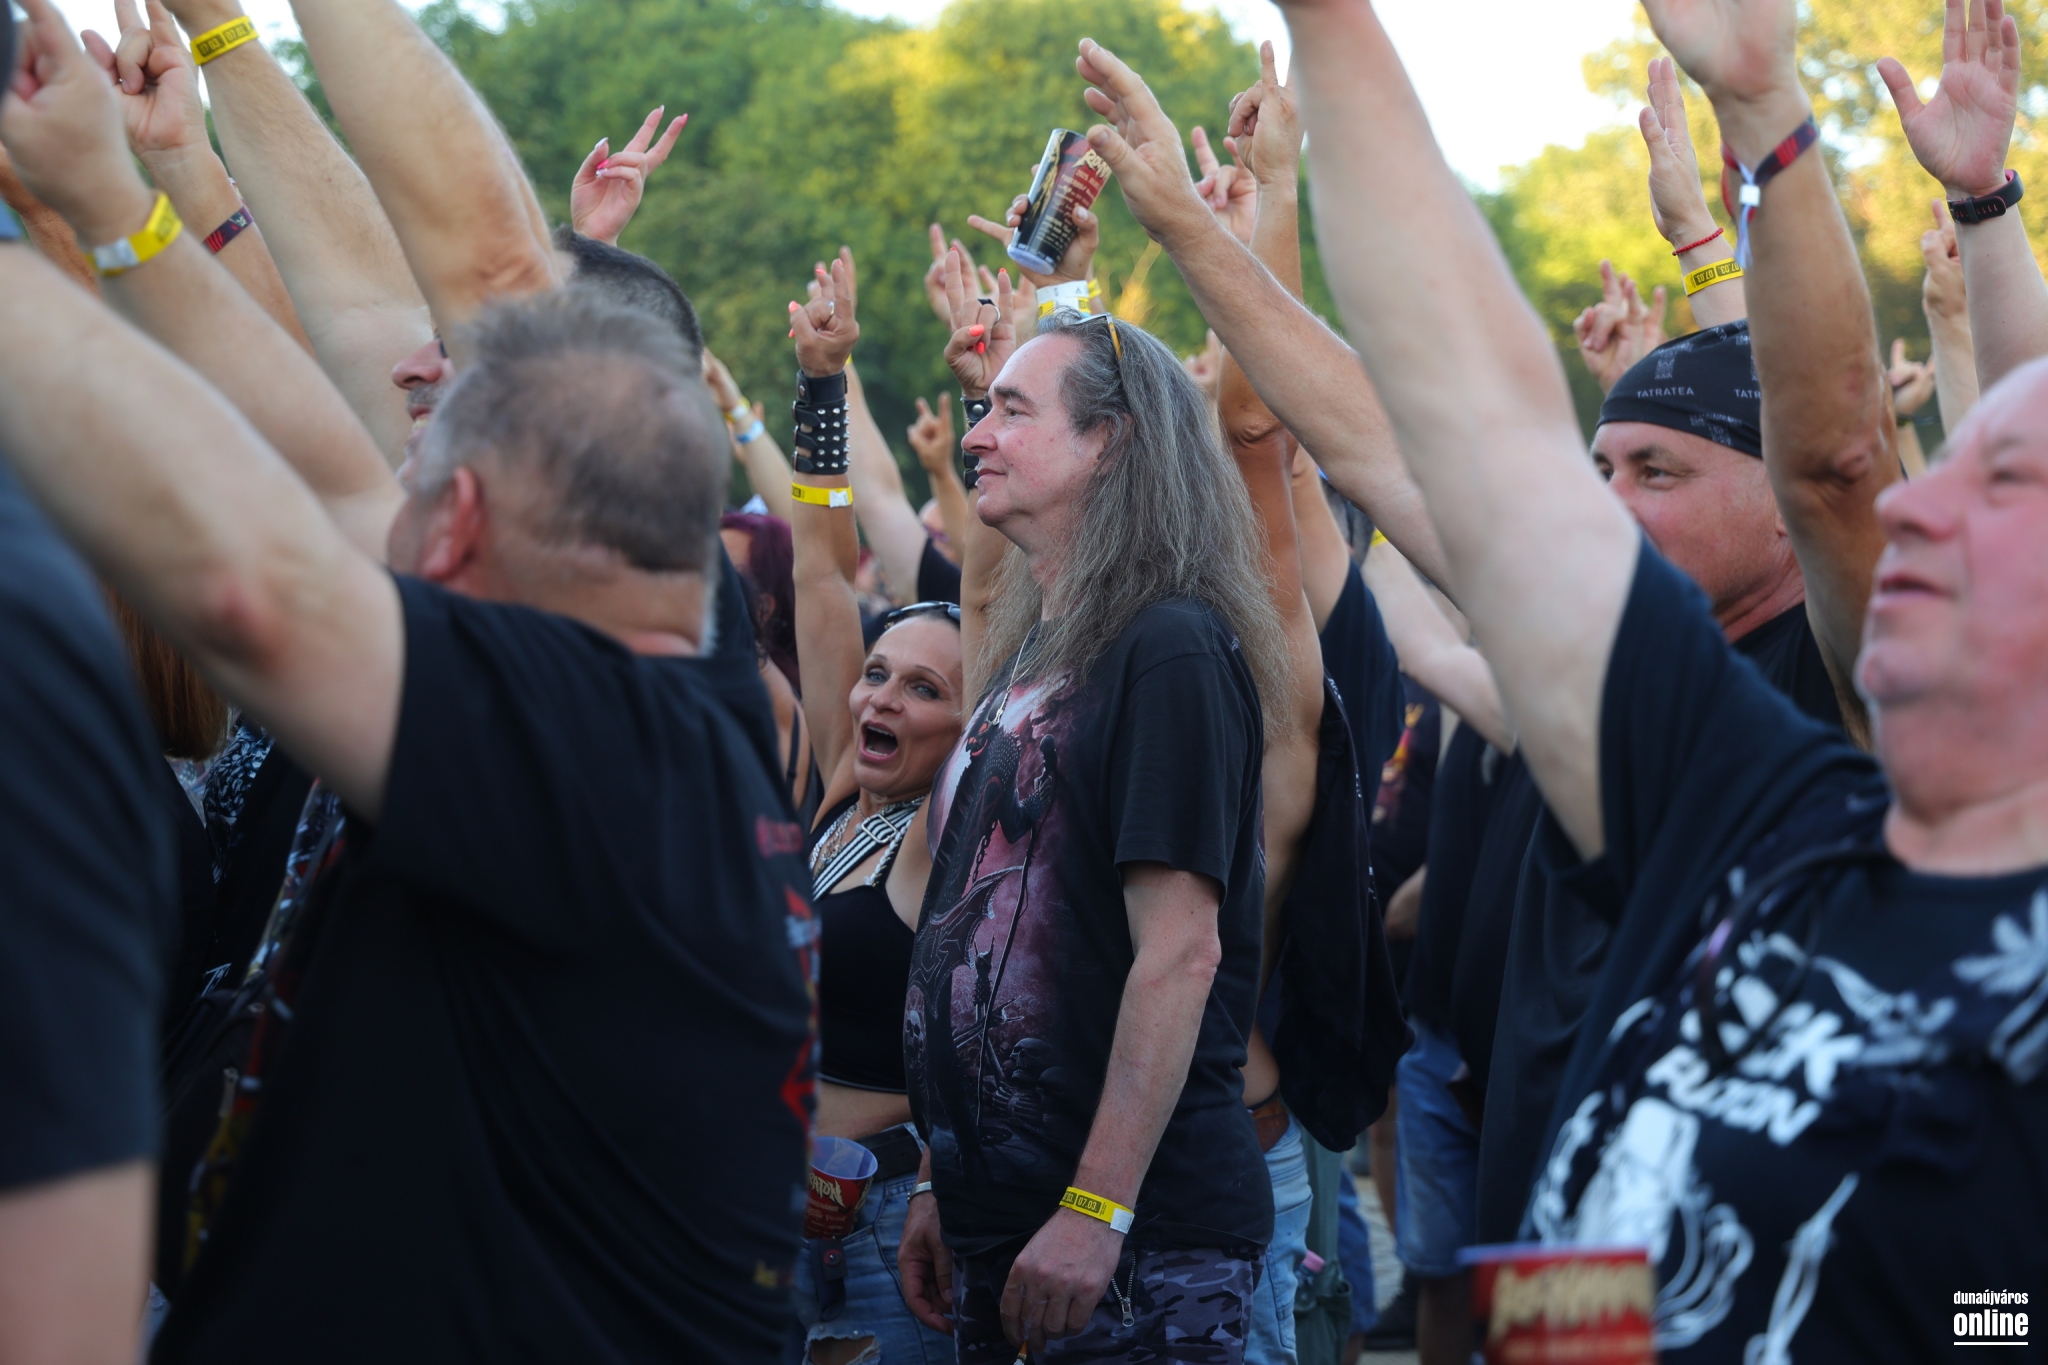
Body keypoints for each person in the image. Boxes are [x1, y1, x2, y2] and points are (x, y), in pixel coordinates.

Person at [1, 4, 815, 1362]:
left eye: (423, 435)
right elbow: (319, 468)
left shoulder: (611, 747)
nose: (398, 389)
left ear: (457, 526)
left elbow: (256, 576)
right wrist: (107, 202)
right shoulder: (641, 704)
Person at [1257, 0, 2048, 1355]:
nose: (1913, 506)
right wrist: (1329, 23)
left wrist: (1942, 1322)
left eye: (2000, 483)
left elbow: (2004, 1310)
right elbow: (1481, 419)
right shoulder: (1767, 817)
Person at [893, 268, 1290, 1358]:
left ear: (1109, 441)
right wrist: (938, 1179)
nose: (978, 436)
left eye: (1012, 411)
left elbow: (1180, 951)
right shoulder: (1040, 649)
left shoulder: (1168, 645)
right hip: (1003, 1224)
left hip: (1132, 1244)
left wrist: (1096, 1206)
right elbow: (976, 931)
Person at [781, 248, 963, 1365]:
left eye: (924, 688)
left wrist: (989, 389)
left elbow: (1003, 605)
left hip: (887, 1225)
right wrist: (819, 389)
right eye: (878, 672)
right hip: (772, 1211)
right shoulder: (845, 789)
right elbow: (818, 572)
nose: (880, 696)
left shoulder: (948, 831)